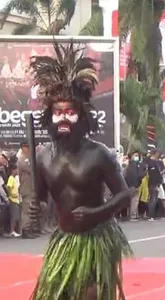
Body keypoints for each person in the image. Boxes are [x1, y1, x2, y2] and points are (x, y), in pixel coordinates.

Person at [29, 41, 133, 300]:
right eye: (58, 112)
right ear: (49, 116)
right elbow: (41, 198)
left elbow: (125, 194)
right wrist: (36, 208)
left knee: (91, 295)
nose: (63, 117)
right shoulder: (42, 157)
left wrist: (97, 213)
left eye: (70, 112)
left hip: (96, 238)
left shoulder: (99, 154)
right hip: (64, 239)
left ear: (81, 115)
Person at [125, 150, 147, 220]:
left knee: (130, 201)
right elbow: (138, 176)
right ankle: (133, 215)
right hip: (134, 185)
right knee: (134, 200)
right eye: (136, 156)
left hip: (128, 185)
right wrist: (145, 172)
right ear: (131, 157)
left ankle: (130, 214)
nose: (137, 157)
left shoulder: (129, 165)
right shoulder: (134, 166)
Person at [147, 149, 165, 221]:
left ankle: (154, 214)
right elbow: (155, 174)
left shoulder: (151, 162)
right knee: (153, 199)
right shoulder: (152, 163)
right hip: (153, 183)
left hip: (152, 183)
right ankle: (151, 215)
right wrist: (157, 183)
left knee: (154, 199)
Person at [6, 164, 21, 237]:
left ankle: (14, 230)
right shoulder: (11, 178)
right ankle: (12, 231)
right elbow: (8, 187)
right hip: (13, 200)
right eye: (16, 169)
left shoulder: (14, 178)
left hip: (16, 199)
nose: (17, 171)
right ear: (13, 170)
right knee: (14, 216)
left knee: (16, 216)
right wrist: (10, 195)